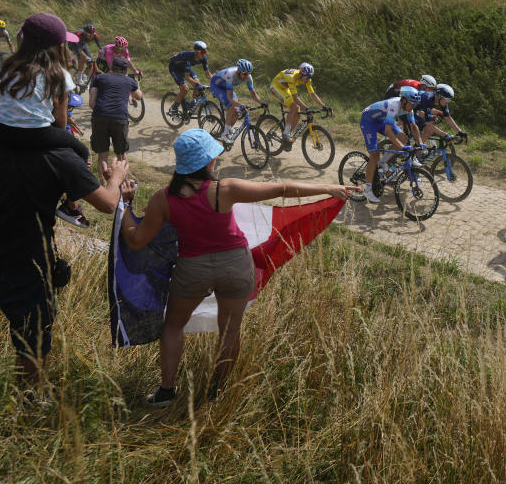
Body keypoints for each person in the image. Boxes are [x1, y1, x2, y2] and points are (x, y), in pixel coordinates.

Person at [0, 14, 129, 392]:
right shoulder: (61, 160)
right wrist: (117, 179)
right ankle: (27, 403)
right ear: (56, 100)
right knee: (32, 341)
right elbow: (107, 205)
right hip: (26, 262)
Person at [118, 128, 356, 407]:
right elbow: (282, 189)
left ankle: (166, 393)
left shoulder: (163, 199)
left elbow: (136, 241)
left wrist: (124, 204)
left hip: (192, 269)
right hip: (235, 265)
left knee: (173, 325)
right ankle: (217, 393)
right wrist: (328, 188)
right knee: (230, 330)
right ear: (208, 162)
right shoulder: (225, 189)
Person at [0, 13, 90, 163]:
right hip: (36, 134)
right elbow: (60, 120)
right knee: (82, 151)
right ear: (57, 47)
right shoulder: (59, 74)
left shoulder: (11, 66)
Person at [358, 86, 424, 203]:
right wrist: (402, 147)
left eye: (415, 104)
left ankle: (382, 162)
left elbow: (414, 127)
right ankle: (367, 189)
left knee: (403, 138)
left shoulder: (409, 108)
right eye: (412, 104)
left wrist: (421, 143)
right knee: (374, 155)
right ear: (404, 101)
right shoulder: (394, 105)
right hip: (368, 121)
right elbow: (388, 131)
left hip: (381, 120)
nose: (414, 107)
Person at [89, 57, 142, 180]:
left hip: (99, 116)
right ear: (125, 70)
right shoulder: (129, 80)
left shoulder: (99, 78)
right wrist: (137, 86)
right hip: (119, 118)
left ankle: (103, 185)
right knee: (121, 154)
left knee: (102, 155)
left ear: (111, 68)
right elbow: (138, 97)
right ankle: (124, 183)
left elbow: (92, 103)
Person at [269, 62, 330, 147]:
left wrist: (324, 106)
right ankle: (286, 133)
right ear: (301, 74)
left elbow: (312, 94)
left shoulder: (307, 79)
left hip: (285, 89)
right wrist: (306, 109)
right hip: (276, 87)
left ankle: (288, 135)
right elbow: (295, 98)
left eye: (310, 77)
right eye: (307, 77)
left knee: (297, 111)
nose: (308, 79)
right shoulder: (292, 78)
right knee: (294, 107)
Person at [55, 93, 91, 228]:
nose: (70, 111)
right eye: (68, 108)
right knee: (80, 156)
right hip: (64, 135)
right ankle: (71, 205)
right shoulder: (63, 116)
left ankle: (69, 201)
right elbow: (108, 205)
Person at [210, 59, 266, 144]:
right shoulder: (230, 74)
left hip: (226, 87)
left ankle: (226, 129)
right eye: (245, 74)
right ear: (238, 71)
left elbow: (253, 94)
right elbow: (230, 98)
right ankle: (224, 134)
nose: (247, 76)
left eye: (248, 74)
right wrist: (240, 105)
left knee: (237, 112)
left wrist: (261, 103)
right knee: (233, 106)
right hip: (216, 86)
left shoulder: (248, 77)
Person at [167, 40, 212, 114]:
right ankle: (173, 108)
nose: (204, 54)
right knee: (185, 89)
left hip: (185, 68)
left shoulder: (203, 58)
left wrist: (215, 81)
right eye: (202, 52)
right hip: (174, 68)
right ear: (196, 52)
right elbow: (187, 77)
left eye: (205, 52)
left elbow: (207, 74)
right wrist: (197, 85)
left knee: (198, 83)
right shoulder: (188, 57)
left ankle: (192, 104)